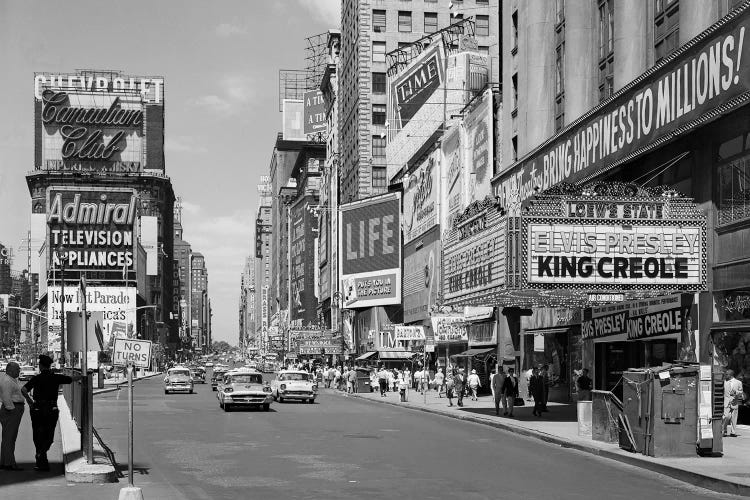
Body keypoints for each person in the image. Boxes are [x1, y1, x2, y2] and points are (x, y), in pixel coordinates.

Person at [22, 354, 82, 471]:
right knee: (49, 435)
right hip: (51, 409)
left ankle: (40, 458)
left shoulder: (37, 378)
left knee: (38, 434)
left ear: (40, 366)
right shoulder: (56, 377)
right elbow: (71, 379)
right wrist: (84, 377)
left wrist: (29, 401)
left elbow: (23, 390)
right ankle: (42, 456)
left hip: (38, 409)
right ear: (49, 366)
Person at [0, 362, 26, 470]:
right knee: (9, 438)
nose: (19, 371)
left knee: (9, 438)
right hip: (11, 410)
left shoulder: (11, 379)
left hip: (13, 409)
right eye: (17, 369)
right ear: (10, 370)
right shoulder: (7, 381)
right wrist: (12, 410)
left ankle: (6, 462)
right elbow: (6, 398)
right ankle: (9, 463)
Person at [723, 369, 745, 437]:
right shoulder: (724, 382)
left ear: (731, 375)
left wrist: (736, 392)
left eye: (727, 374)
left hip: (735, 402)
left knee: (734, 418)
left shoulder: (738, 382)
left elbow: (741, 392)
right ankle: (724, 431)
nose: (725, 375)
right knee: (725, 417)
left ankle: (733, 432)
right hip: (726, 402)